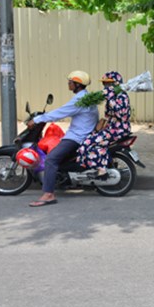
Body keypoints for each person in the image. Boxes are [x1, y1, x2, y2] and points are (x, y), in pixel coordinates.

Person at [26, 71, 99, 207]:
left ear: (77, 84)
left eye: (70, 82)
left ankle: (48, 194)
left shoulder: (80, 100)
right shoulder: (86, 97)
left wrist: (37, 119)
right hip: (82, 134)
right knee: (59, 157)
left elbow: (61, 112)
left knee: (51, 159)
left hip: (76, 137)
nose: (68, 84)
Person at [76, 71, 132, 179]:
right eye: (104, 84)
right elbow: (108, 116)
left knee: (89, 143)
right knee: (88, 139)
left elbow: (121, 114)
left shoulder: (122, 96)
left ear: (115, 84)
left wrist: (110, 97)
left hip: (118, 129)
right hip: (111, 128)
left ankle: (101, 169)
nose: (105, 86)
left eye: (108, 83)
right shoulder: (112, 96)